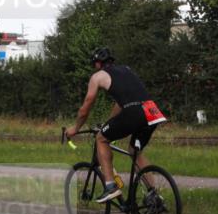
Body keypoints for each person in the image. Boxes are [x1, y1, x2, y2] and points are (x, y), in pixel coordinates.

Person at [64, 47, 167, 203]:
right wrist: (109, 124)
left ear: (97, 64)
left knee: (101, 139)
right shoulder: (126, 70)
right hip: (151, 111)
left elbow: (85, 107)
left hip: (133, 112)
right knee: (134, 151)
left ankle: (110, 186)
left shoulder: (97, 76)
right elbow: (121, 103)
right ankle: (153, 195)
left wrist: (75, 128)